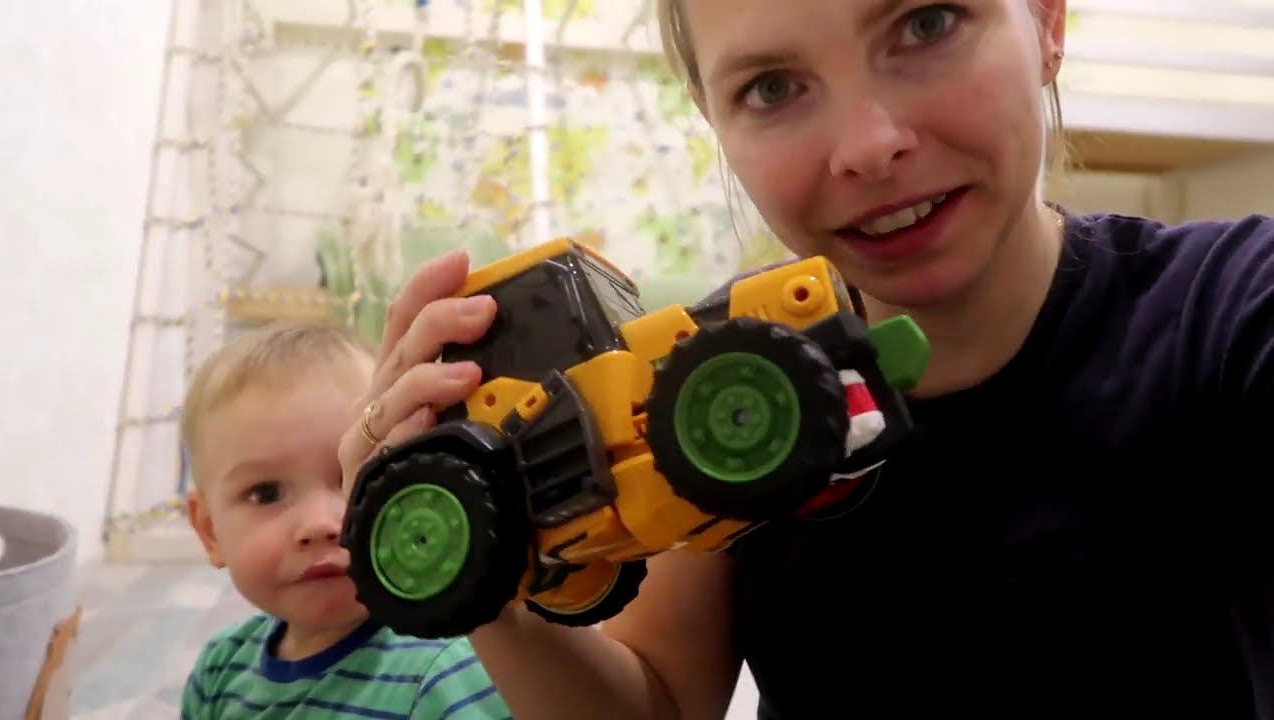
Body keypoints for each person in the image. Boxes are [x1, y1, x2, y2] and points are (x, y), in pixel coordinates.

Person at [339, 0, 1274, 717]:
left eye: (927, 23)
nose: (870, 146)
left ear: (1046, 21)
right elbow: (656, 704)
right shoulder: (704, 374)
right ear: (715, 122)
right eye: (772, 88)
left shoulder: (1233, 309)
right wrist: (489, 584)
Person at [179, 320, 512, 719]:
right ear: (210, 531)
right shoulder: (218, 671)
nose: (320, 524)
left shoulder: (448, 679)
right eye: (265, 493)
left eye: (355, 475)